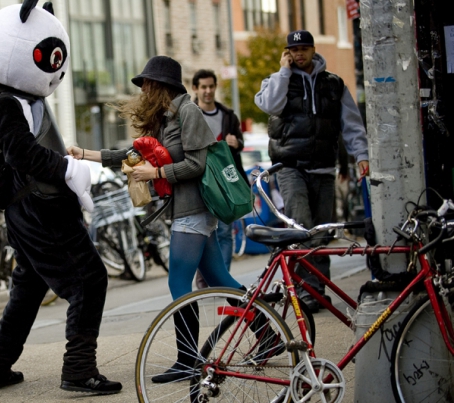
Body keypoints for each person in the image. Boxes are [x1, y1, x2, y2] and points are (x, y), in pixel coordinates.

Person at [0, 2, 121, 395]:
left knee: (29, 287)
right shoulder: (4, 104)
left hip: (30, 209)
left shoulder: (19, 100)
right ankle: (78, 368)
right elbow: (19, 153)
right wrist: (67, 169)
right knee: (89, 279)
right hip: (39, 209)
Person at [68, 56, 243, 383]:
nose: (144, 90)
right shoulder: (167, 117)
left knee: (179, 283)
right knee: (220, 280)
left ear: (162, 85)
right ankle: (268, 327)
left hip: (194, 210)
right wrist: (86, 154)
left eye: (147, 84)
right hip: (189, 211)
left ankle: (188, 360)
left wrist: (157, 172)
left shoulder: (188, 112)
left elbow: (198, 165)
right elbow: (133, 154)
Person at [254, 30, 369, 312]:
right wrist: (283, 72)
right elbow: (269, 105)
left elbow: (351, 124)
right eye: (294, 49)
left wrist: (362, 155)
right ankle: (301, 292)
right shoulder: (277, 81)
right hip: (290, 167)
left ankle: (317, 291)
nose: (300, 53)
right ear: (288, 53)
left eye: (305, 48)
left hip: (324, 167)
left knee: (321, 232)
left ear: (313, 49)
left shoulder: (333, 84)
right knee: (301, 227)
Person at [190, 69, 248, 289]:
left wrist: (237, 143)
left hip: (225, 180)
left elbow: (240, 143)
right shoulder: (190, 113)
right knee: (202, 231)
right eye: (203, 87)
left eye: (211, 86)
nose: (207, 91)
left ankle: (220, 280)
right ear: (195, 88)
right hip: (200, 180)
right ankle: (206, 280)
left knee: (224, 231)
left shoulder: (228, 115)